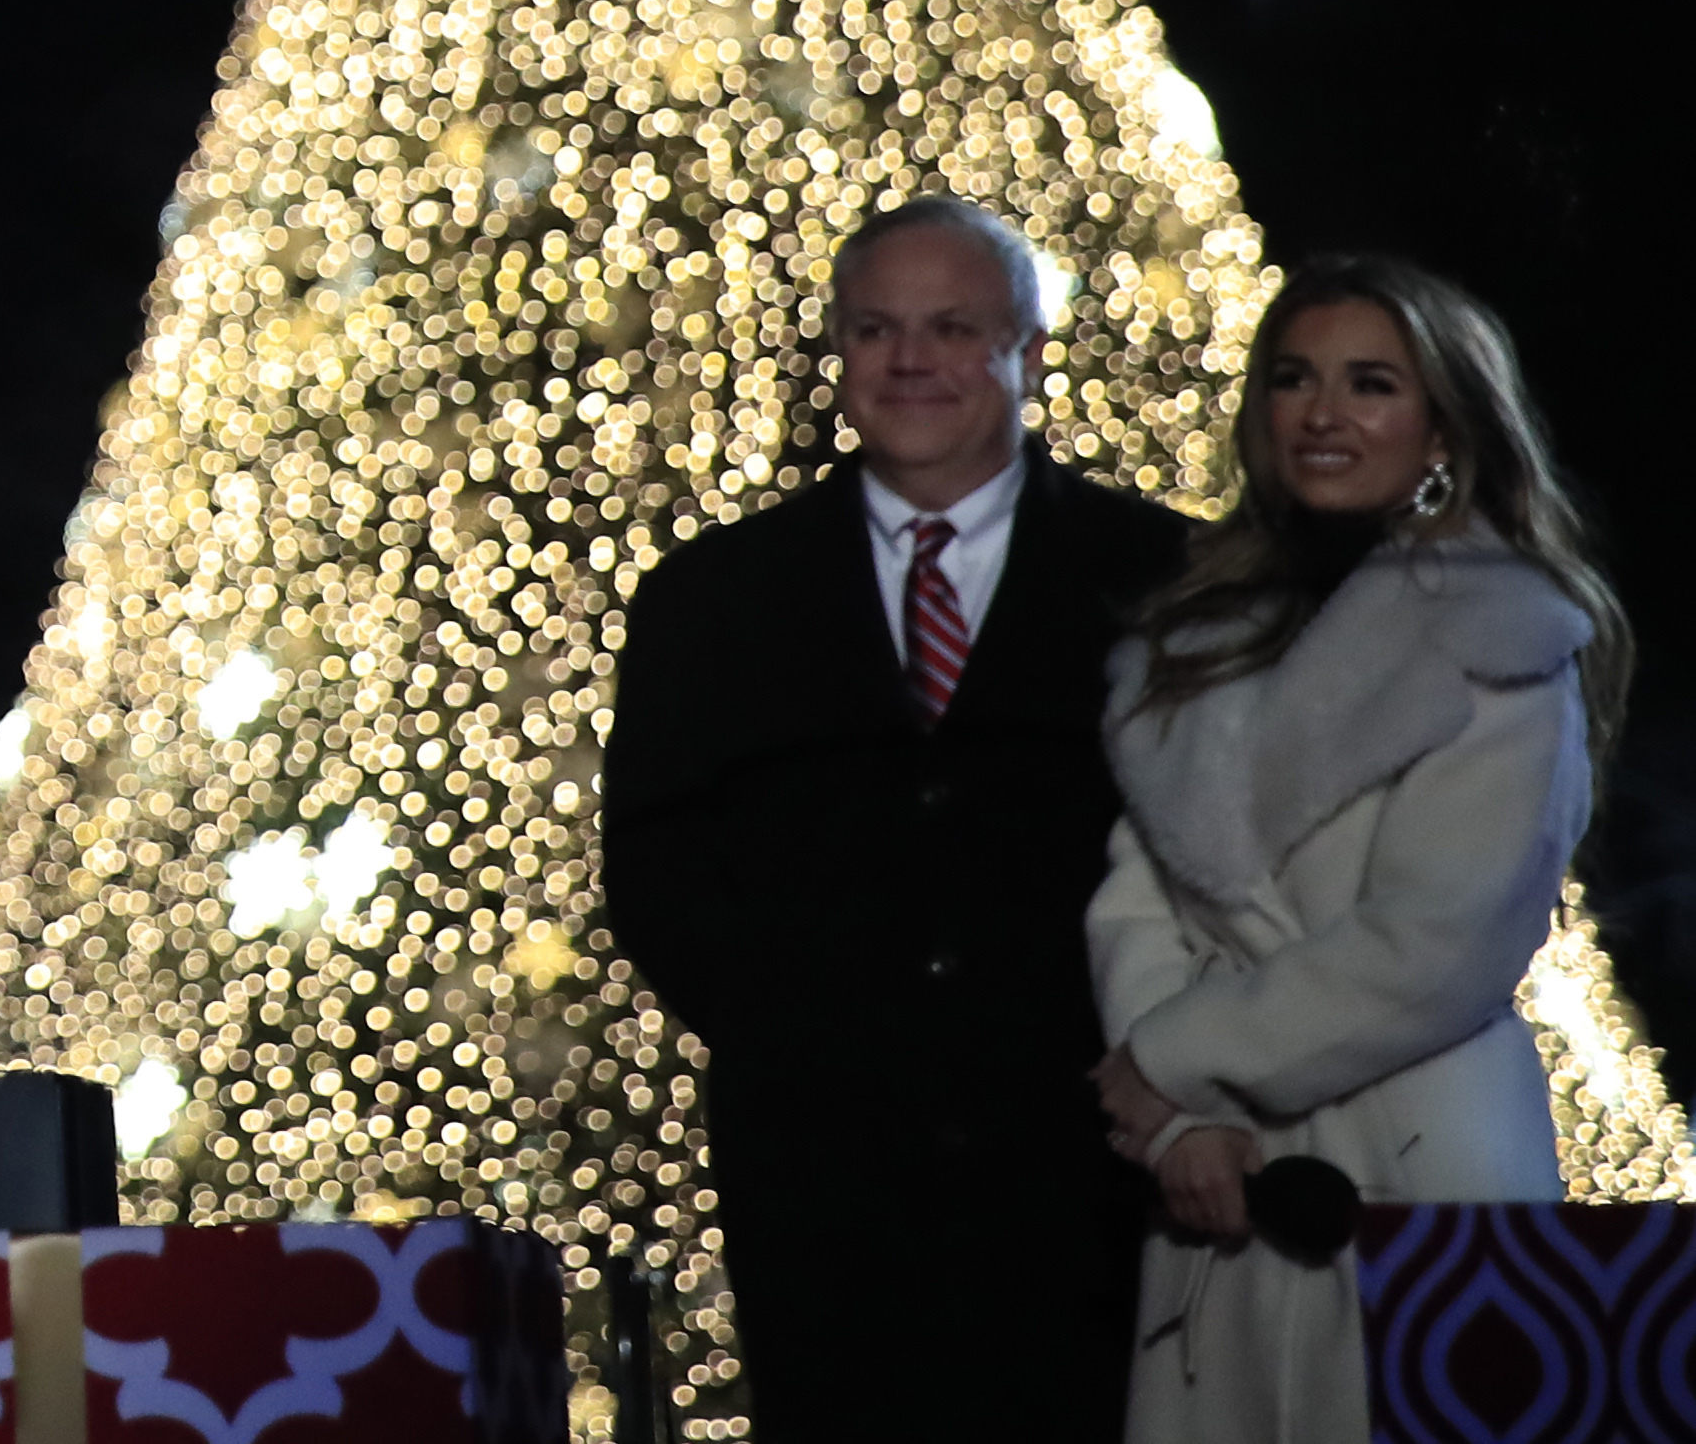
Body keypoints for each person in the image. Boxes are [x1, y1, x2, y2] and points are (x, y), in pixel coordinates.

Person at [601, 194, 1192, 1440]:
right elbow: (657, 864)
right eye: (875, 328)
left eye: (951, 327)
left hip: (1100, 1170)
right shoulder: (710, 599)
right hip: (824, 1183)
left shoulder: (1172, 581)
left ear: (1029, 351)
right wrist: (808, 1041)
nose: (909, 360)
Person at [1090, 261, 1621, 1440]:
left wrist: (1179, 1057)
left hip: (1417, 1176)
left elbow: (1438, 942)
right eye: (1294, 378)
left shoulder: (1504, 631)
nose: (1322, 412)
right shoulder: (1193, 634)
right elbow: (1137, 902)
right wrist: (1176, 1123)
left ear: (1443, 425)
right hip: (1222, 1181)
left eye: (1370, 383)